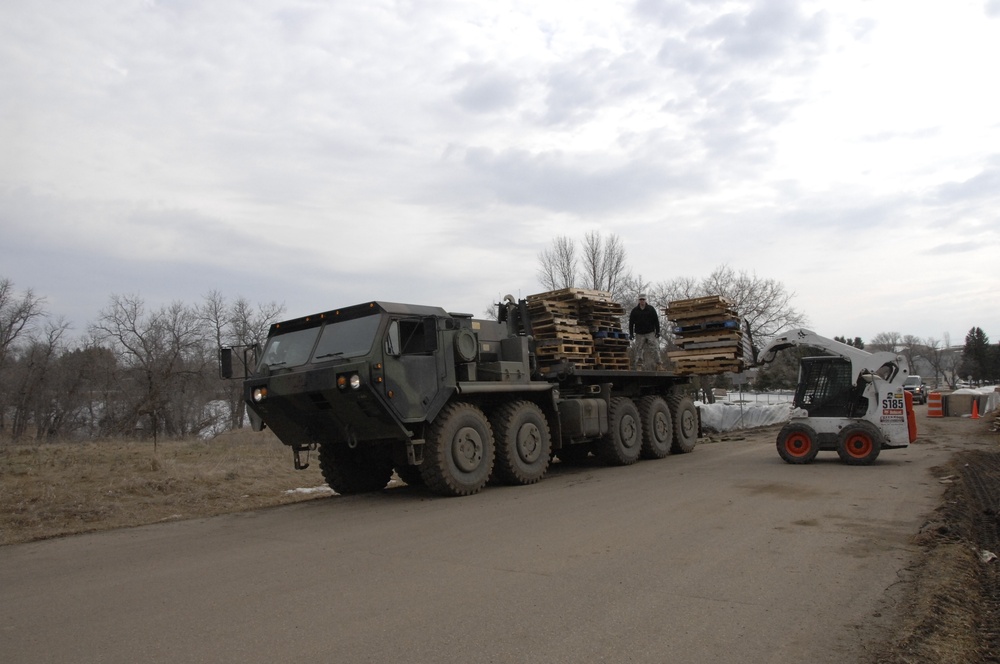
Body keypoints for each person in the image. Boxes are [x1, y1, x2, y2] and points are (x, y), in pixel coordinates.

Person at [628, 293, 661, 370]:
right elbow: (631, 323)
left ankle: (659, 364)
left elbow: (656, 321)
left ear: (645, 300)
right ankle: (639, 365)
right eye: (640, 299)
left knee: (655, 348)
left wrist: (658, 331)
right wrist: (631, 334)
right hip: (639, 333)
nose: (642, 301)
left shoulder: (651, 309)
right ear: (638, 300)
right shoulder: (635, 311)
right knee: (638, 349)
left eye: (643, 299)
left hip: (650, 332)